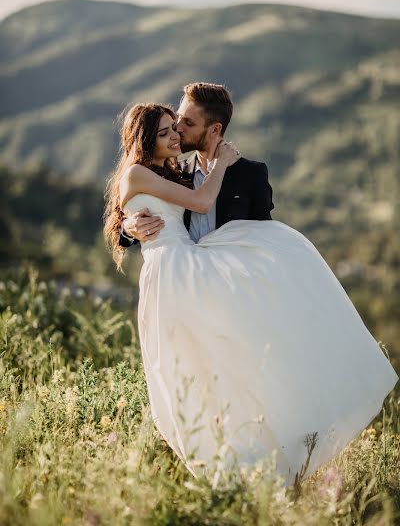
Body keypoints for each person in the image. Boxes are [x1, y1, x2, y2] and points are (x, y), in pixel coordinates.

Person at [103, 100, 398, 488]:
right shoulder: (164, 171)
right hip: (179, 276)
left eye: (182, 125)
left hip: (214, 281)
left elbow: (258, 231)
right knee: (189, 368)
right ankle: (222, 465)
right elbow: (167, 203)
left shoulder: (230, 173)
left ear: (215, 130)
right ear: (144, 138)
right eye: (169, 129)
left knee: (238, 365)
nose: (177, 134)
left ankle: (266, 454)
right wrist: (128, 226)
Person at [118, 82, 274, 247]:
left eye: (188, 123)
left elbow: (264, 235)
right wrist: (128, 229)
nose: (177, 128)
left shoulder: (251, 174)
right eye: (178, 119)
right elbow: (138, 215)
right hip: (180, 267)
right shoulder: (176, 172)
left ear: (215, 130)